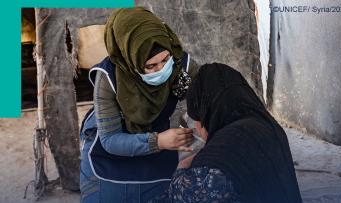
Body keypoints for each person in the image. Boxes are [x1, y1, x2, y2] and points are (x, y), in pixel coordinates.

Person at [79, 8, 199, 203]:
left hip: (163, 146)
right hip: (111, 153)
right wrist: (158, 141)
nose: (161, 69)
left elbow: (208, 102)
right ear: (129, 61)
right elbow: (110, 140)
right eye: (150, 66)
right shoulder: (109, 77)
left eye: (164, 60)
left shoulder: (180, 65)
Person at [154, 63, 302, 202]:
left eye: (197, 120)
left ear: (208, 111)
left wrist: (181, 172)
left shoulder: (221, 154)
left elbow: (190, 195)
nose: (197, 128)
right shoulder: (269, 126)